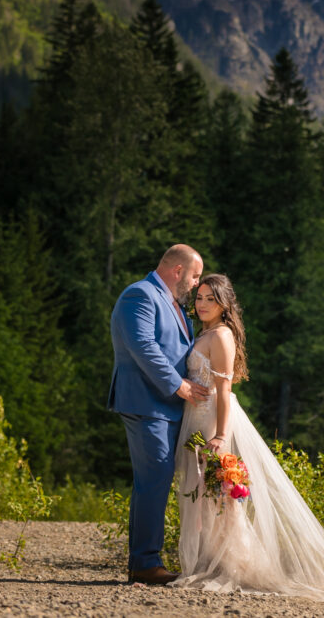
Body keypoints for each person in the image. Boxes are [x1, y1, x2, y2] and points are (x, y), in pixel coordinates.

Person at [171, 274, 324, 608]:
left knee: (215, 491)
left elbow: (224, 389)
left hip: (211, 419)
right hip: (195, 416)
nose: (202, 304)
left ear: (224, 304)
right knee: (200, 491)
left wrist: (221, 435)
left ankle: (233, 562)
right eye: (200, 297)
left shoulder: (221, 336)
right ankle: (209, 559)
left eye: (210, 298)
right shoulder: (205, 331)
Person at [108, 244, 209, 585]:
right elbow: (143, 346)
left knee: (160, 480)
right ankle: (144, 564)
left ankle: (146, 559)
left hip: (165, 407)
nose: (196, 284)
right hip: (146, 403)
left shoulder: (172, 303)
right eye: (195, 276)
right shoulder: (140, 295)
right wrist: (178, 386)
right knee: (154, 480)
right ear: (177, 271)